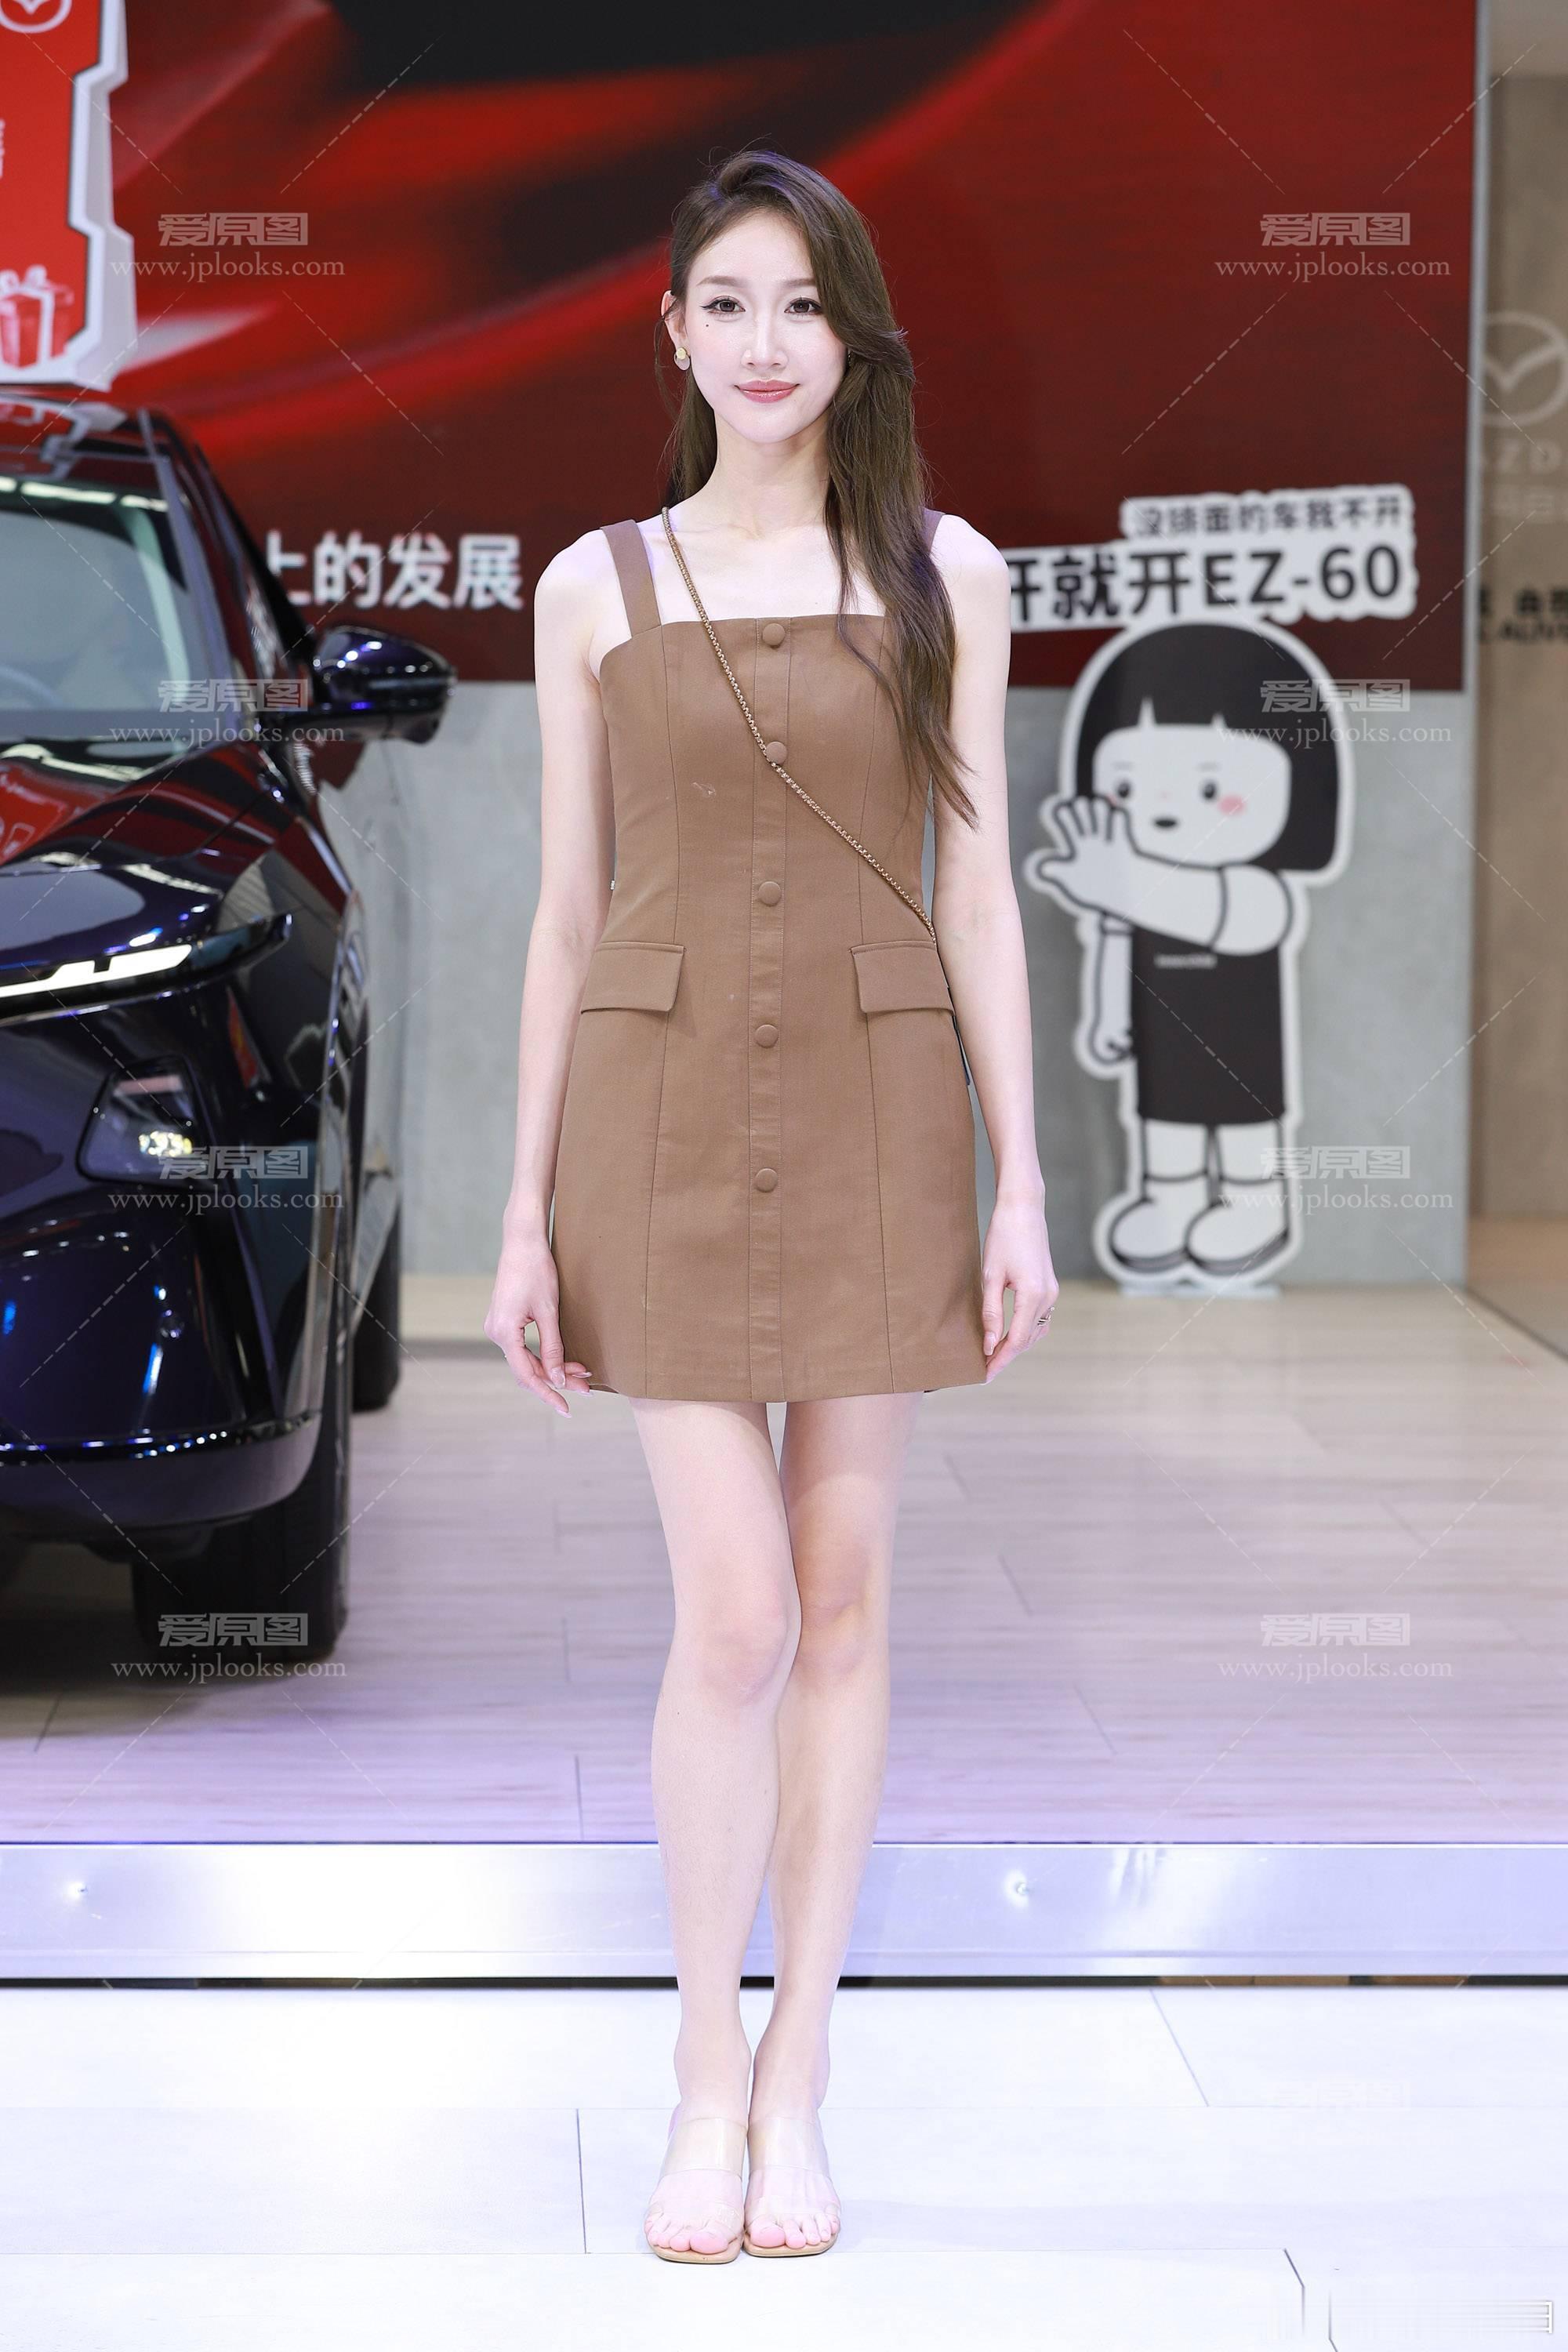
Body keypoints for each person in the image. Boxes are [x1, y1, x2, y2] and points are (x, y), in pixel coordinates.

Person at [485, 147, 1056, 2263]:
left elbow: (979, 892)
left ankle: (802, 2077)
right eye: (724, 302)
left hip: (878, 1100)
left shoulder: (948, 573)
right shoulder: (592, 588)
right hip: (651, 1110)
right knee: (731, 1612)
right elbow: (564, 915)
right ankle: (702, 2072)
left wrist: (1024, 1185)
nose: (763, 342)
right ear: (671, 331)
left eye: (801, 304)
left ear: (855, 334)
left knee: (845, 1600)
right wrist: (520, 1213)